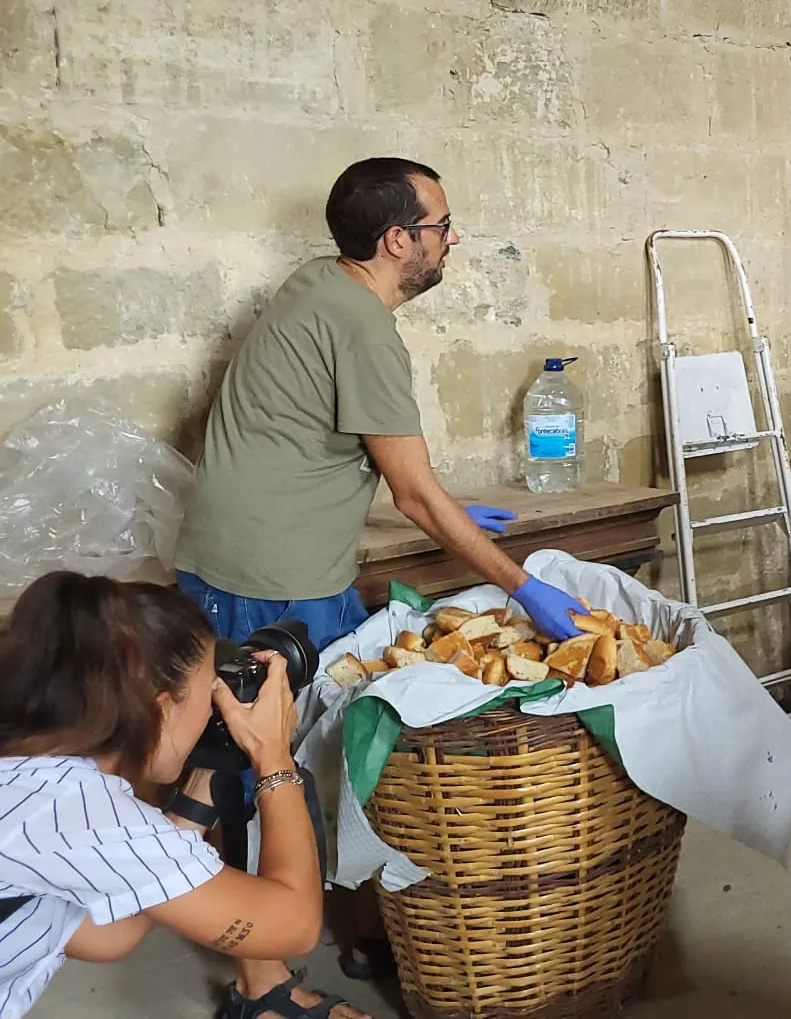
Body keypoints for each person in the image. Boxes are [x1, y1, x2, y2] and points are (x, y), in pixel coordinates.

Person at [173, 157, 591, 1019]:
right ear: (398, 241)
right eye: (440, 225)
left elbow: (303, 437)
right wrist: (524, 588)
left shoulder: (317, 286)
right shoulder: (362, 326)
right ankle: (265, 987)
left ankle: (345, 920)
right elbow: (412, 490)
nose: (452, 239)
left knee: (271, 760)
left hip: (237, 560)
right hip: (272, 583)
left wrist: (429, 498)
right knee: (261, 774)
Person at [0, 574, 323, 1019]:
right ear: (163, 707)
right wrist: (273, 756)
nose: (214, 708)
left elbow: (104, 935)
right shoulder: (79, 811)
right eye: (210, 693)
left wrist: (207, 769)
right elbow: (294, 925)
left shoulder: (35, 772)